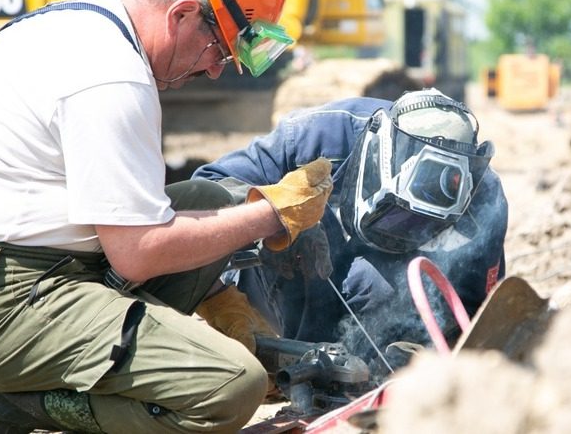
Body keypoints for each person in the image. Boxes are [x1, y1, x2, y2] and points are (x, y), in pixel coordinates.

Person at [0, 0, 332, 432]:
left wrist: (218, 297)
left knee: (210, 199)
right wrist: (273, 214)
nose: (216, 70)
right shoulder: (110, 74)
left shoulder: (85, 23)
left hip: (22, 260)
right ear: (180, 14)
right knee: (234, 387)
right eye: (219, 47)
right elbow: (138, 253)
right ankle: (5, 403)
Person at [193, 88, 508, 365]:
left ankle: (364, 362)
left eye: (423, 227)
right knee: (310, 232)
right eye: (398, 217)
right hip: (267, 286)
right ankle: (301, 360)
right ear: (378, 164)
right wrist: (273, 219)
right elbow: (204, 190)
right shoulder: (320, 136)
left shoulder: (483, 201)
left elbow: (474, 308)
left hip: (381, 304)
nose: (406, 232)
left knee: (375, 283)